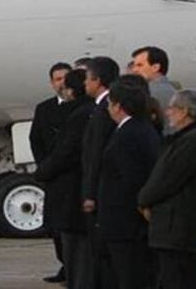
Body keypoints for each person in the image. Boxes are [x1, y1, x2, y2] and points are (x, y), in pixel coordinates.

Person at [137, 89, 196, 289]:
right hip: (175, 228)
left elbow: (167, 179)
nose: (168, 112)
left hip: (179, 229)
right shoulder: (187, 138)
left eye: (172, 108)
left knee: (178, 278)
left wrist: (144, 199)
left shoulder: (195, 140)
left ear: (185, 111)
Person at [98, 79, 160, 289]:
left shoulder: (128, 135)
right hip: (129, 222)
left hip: (125, 223)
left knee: (129, 276)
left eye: (109, 103)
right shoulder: (141, 128)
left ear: (118, 106)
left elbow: (131, 180)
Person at [34, 69, 92, 289]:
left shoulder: (78, 114)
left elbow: (67, 151)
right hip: (62, 184)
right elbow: (37, 140)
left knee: (76, 245)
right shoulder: (52, 109)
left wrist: (43, 172)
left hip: (69, 187)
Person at [30, 62, 72, 284]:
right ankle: (64, 264)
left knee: (70, 224)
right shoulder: (44, 108)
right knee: (54, 224)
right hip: (52, 175)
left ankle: (72, 267)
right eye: (57, 79)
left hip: (71, 175)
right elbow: (35, 138)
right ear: (51, 83)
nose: (62, 83)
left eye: (66, 78)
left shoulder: (79, 108)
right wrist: (44, 166)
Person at [79, 56, 119, 289]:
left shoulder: (105, 111)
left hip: (102, 195)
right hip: (101, 193)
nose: (84, 83)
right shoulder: (102, 108)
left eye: (87, 78)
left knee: (103, 255)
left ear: (99, 81)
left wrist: (89, 194)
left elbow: (95, 156)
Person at [129, 46, 177, 135]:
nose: (135, 70)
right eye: (134, 65)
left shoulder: (151, 93)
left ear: (155, 67)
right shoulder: (171, 91)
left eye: (140, 65)